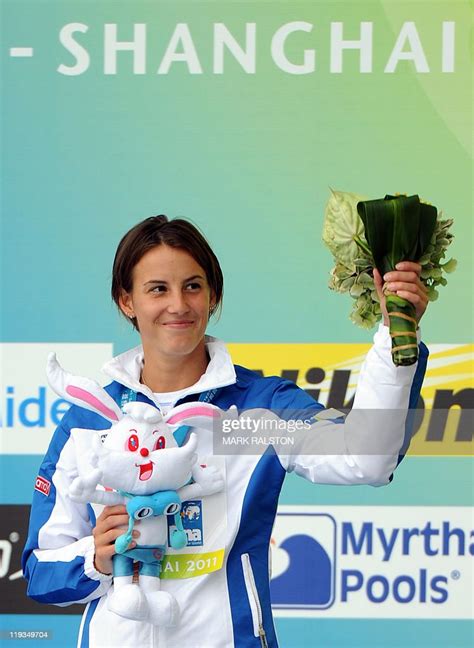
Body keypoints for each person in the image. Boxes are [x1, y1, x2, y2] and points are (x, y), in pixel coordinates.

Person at [22, 215, 429, 648]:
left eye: (193, 286)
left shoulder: (260, 407)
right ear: (127, 300)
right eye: (158, 288)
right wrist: (95, 560)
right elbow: (40, 571)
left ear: (213, 296)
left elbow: (366, 458)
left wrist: (394, 336)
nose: (178, 305)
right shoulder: (90, 420)